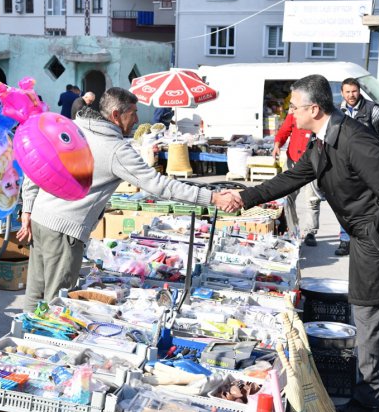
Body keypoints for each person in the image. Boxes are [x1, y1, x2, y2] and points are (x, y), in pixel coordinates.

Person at [216, 74, 379, 412]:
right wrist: (244, 196)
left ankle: (370, 400)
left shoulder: (353, 138)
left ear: (314, 108)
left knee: (367, 317)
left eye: (293, 108)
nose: (290, 114)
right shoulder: (322, 139)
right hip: (373, 236)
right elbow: (292, 177)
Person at [18, 87, 228, 312]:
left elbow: (36, 164)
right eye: (133, 113)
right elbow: (159, 185)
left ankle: (21, 338)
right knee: (56, 301)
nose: (137, 120)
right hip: (64, 231)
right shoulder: (116, 150)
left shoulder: (72, 126)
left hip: (40, 218)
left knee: (34, 294)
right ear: (116, 115)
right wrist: (212, 197)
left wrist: (28, 210)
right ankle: (42, 342)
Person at [335, 78, 379, 257]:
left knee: (371, 203)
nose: (351, 95)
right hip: (346, 166)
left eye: (354, 91)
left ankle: (372, 238)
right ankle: (345, 241)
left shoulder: (373, 111)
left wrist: (378, 161)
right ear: (342, 93)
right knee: (345, 203)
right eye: (347, 92)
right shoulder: (337, 111)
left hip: (369, 166)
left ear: (359, 91)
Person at [271, 112, 321, 246]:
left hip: (312, 163)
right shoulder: (294, 112)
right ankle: (291, 228)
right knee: (286, 198)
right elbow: (284, 130)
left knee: (312, 200)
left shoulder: (319, 111)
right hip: (293, 161)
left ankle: (310, 232)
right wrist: (277, 144)